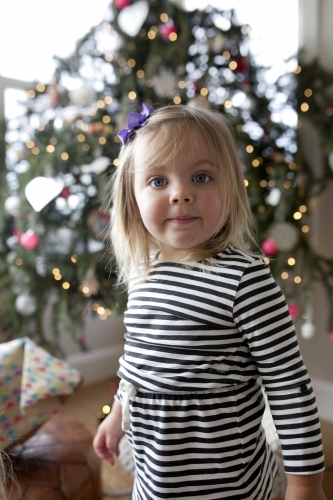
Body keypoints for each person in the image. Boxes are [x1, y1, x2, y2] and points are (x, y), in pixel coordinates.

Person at [93, 104, 326, 500]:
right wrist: (118, 414)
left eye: (201, 177)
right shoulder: (143, 272)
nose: (181, 193)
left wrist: (305, 484)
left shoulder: (244, 279)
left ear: (230, 189)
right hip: (156, 473)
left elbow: (288, 384)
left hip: (226, 480)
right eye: (157, 181)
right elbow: (137, 360)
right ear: (132, 198)